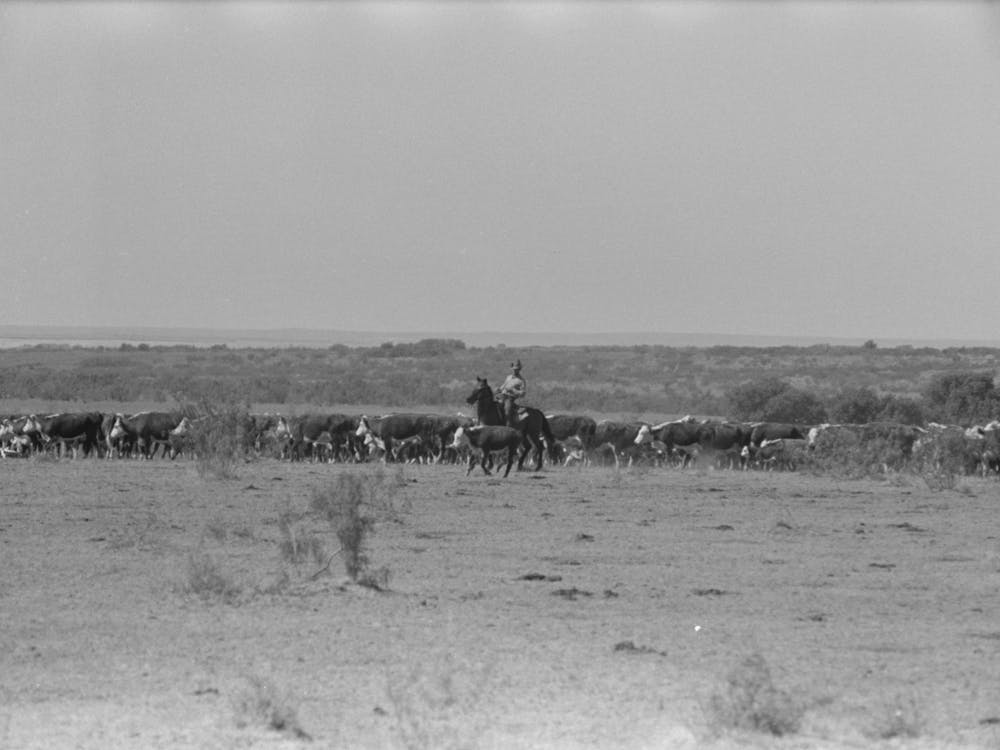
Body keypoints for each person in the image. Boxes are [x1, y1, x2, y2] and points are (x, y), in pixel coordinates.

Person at [496, 360, 526, 427]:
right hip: (502, 395)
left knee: (507, 410)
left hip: (510, 398)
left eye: (516, 369)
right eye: (514, 369)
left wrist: (513, 390)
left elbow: (523, 393)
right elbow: (503, 385)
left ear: (519, 370)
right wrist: (499, 389)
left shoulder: (521, 381)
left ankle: (508, 426)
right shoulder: (508, 377)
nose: (515, 371)